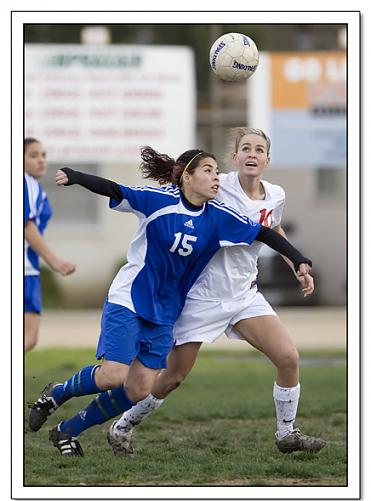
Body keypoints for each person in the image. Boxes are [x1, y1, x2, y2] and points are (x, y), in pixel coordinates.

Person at [28, 145, 313, 457]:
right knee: (113, 375)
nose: (216, 177)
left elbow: (264, 233)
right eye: (208, 170)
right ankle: (57, 393)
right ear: (187, 177)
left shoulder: (218, 217)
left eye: (217, 172)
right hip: (130, 299)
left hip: (167, 311)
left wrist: (298, 258)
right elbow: (115, 188)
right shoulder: (159, 200)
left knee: (138, 390)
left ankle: (67, 431)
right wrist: (75, 176)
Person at [107, 128, 326, 455]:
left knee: (288, 357)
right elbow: (183, 191)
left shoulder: (276, 194)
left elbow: (272, 229)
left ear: (268, 159)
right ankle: (122, 426)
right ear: (234, 157)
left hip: (244, 295)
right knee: (174, 376)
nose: (252, 155)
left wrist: (295, 263)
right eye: (246, 149)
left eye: (260, 150)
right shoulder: (218, 184)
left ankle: (286, 433)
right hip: (202, 297)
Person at [24, 138, 76, 352]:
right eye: (33, 155)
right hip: (24, 269)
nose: (41, 160)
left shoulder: (33, 186)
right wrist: (55, 262)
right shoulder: (25, 182)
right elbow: (26, 226)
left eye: (43, 155)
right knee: (28, 338)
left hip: (29, 267)